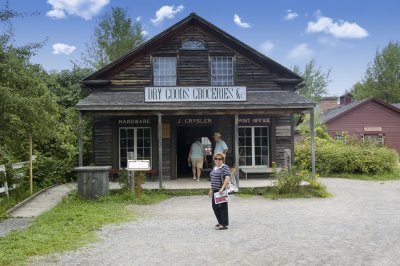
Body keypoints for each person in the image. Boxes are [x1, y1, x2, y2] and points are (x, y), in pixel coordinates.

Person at [208, 152, 231, 230]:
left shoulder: (225, 167)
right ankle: (220, 222)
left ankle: (224, 224)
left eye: (219, 159)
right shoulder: (214, 168)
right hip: (215, 190)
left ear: (222, 160)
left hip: (221, 190)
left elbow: (227, 178)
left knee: (223, 207)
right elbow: (212, 179)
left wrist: (222, 187)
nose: (217, 160)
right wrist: (211, 190)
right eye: (216, 159)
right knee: (215, 207)